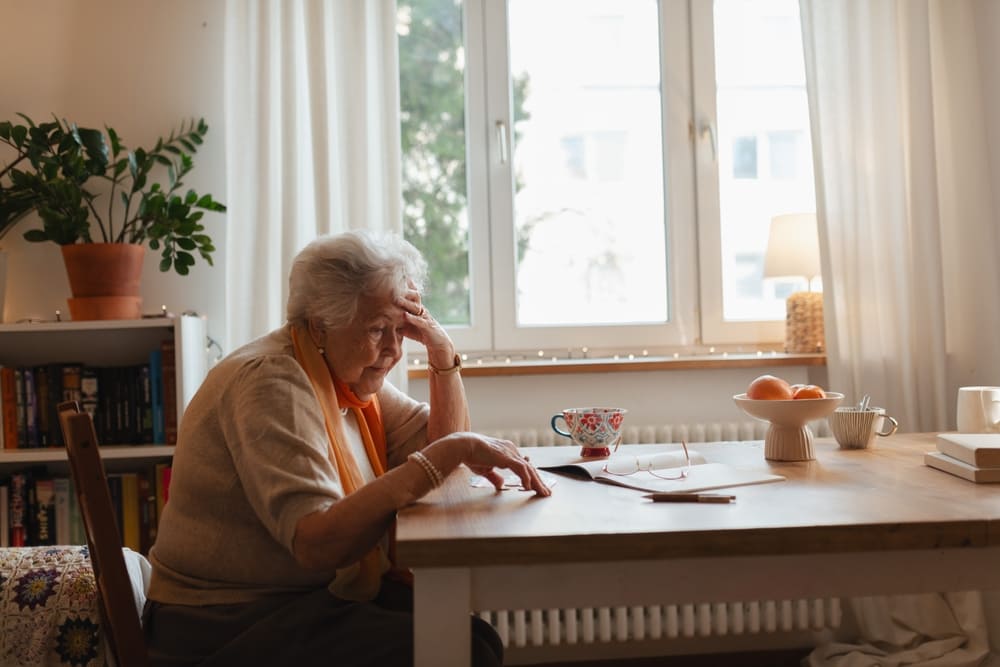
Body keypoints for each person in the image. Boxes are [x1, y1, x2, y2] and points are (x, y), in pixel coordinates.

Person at [143, 230, 551, 666]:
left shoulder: (344, 378)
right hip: (224, 620)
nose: (394, 350)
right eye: (378, 329)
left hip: (298, 599)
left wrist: (441, 351)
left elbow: (441, 447)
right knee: (463, 648)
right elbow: (317, 544)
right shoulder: (272, 381)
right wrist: (446, 453)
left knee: (475, 638)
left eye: (401, 329)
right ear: (321, 324)